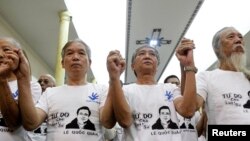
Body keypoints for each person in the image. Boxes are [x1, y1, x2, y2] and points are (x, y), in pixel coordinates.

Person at [17, 38, 113, 141]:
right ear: (62, 63)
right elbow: (31, 123)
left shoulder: (102, 90)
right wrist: (23, 79)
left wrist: (114, 80)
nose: (75, 57)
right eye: (70, 53)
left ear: (89, 63)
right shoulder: (50, 93)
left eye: (81, 53)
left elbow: (107, 122)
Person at [102, 38, 197, 141]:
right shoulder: (124, 90)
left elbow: (188, 111)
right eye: (141, 54)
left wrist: (189, 64)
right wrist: (114, 77)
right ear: (132, 66)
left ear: (157, 66)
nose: (147, 56)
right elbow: (125, 121)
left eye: (152, 54)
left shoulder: (170, 88)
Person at [196, 27, 250, 126]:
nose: (238, 40)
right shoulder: (206, 77)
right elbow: (190, 109)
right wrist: (188, 68)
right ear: (217, 47)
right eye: (231, 37)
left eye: (240, 37)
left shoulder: (248, 78)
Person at [0, 37, 41, 141]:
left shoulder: (32, 86)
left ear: (19, 55)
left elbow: (14, 123)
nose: (0, 55)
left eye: (6, 50)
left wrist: (2, 80)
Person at [164, 74, 202, 141]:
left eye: (177, 83)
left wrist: (205, 114)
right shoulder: (165, 110)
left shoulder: (190, 107)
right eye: (172, 84)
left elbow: (198, 132)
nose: (175, 86)